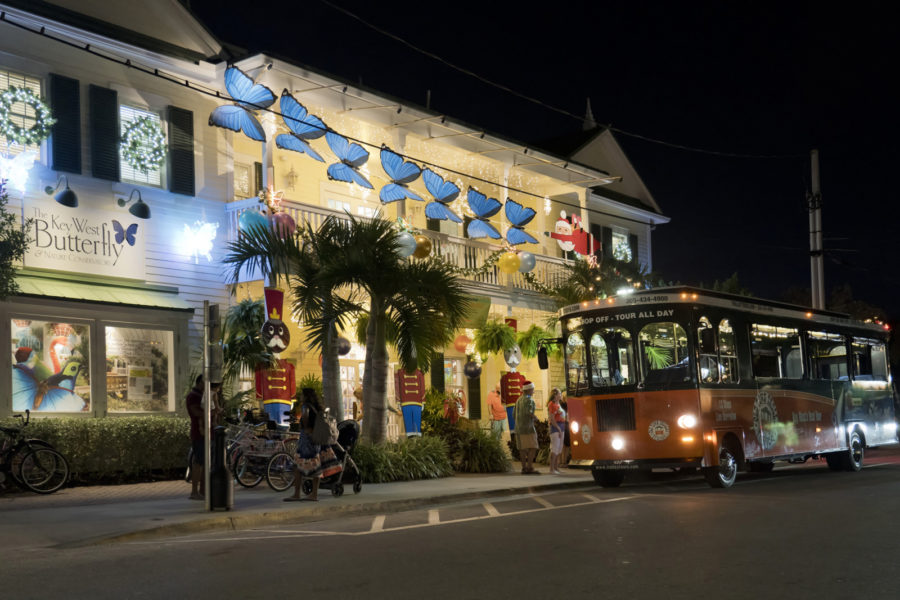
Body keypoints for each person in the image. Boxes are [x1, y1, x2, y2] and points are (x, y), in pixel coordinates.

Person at [284, 388, 340, 501]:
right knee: (316, 466)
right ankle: (314, 494)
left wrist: (305, 428)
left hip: (307, 439)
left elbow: (305, 418)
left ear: (306, 396)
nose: (300, 397)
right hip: (316, 438)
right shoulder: (317, 407)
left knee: (297, 466)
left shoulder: (306, 406)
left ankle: (297, 494)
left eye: (302, 395)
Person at [186, 374, 205, 500]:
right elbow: (196, 412)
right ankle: (195, 491)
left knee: (204, 462)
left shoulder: (203, 395)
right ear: (200, 382)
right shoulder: (193, 396)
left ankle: (202, 491)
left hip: (204, 432)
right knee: (198, 461)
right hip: (199, 433)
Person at [514, 381, 540, 474]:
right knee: (533, 447)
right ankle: (530, 467)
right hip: (528, 428)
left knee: (522, 449)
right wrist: (535, 418)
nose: (533, 391)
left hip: (518, 428)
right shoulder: (529, 400)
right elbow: (529, 412)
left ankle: (524, 468)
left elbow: (514, 414)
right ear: (529, 389)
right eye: (532, 389)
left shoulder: (518, 400)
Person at [548, 388, 566, 474]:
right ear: (555, 395)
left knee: (559, 448)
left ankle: (556, 467)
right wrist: (558, 428)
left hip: (561, 426)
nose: (561, 395)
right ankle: (552, 468)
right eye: (559, 393)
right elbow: (552, 418)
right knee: (555, 448)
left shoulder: (558, 404)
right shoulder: (552, 404)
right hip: (556, 428)